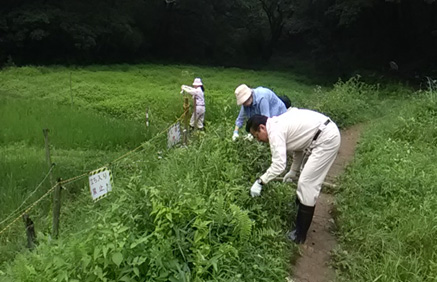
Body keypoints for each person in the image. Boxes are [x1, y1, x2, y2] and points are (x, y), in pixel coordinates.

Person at [245, 109, 341, 244]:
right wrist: (293, 171)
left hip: (326, 139)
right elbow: (298, 148)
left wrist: (260, 181)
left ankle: (300, 234)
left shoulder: (274, 131)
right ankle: (298, 212)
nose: (258, 140)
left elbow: (278, 165)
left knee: (307, 183)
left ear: (262, 128)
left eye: (256, 136)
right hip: (321, 135)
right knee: (304, 178)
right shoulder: (277, 124)